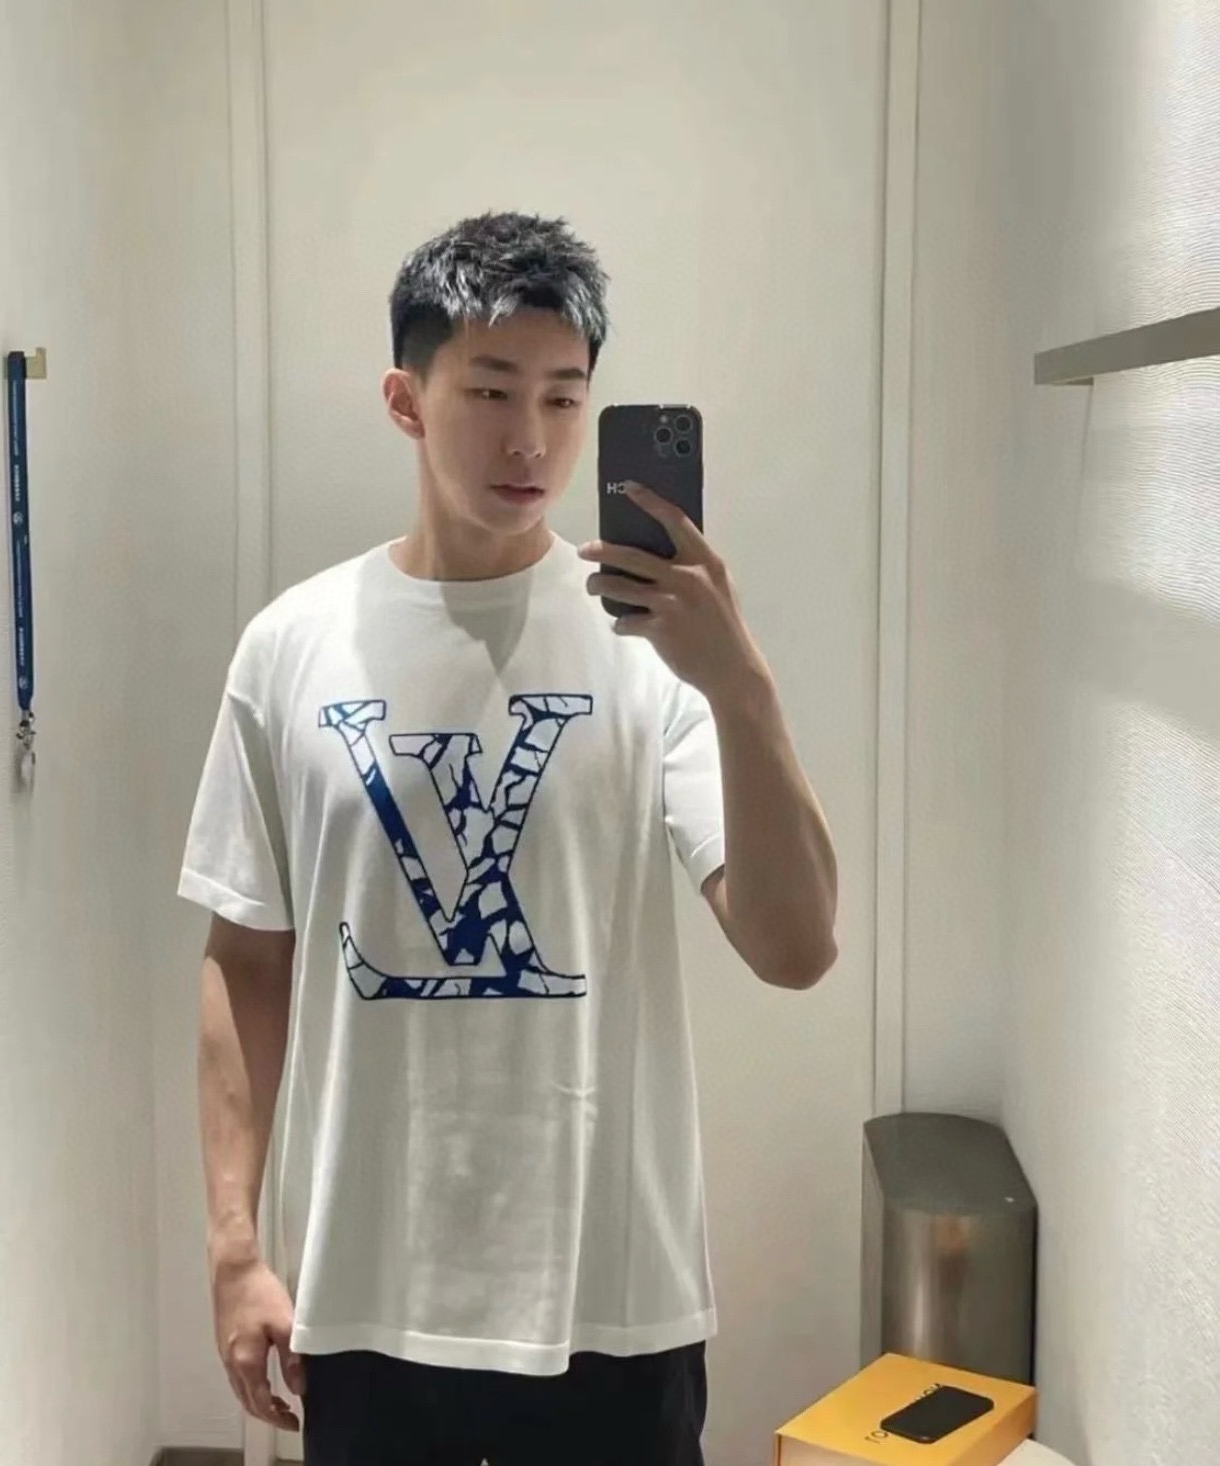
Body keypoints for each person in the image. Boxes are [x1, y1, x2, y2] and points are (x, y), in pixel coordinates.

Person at [181, 211, 838, 1466]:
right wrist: (233, 1246)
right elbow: (245, 957)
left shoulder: (655, 649)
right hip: (365, 1297)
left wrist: (741, 686)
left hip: (612, 1302)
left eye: (562, 395)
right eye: (489, 390)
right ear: (406, 399)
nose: (530, 436)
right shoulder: (290, 645)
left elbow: (796, 945)